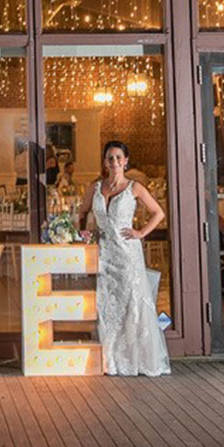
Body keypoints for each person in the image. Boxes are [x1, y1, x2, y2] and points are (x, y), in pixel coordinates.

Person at [73, 140, 170, 376]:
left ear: (126, 161)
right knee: (107, 305)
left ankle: (135, 359)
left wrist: (140, 233)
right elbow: (82, 212)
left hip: (127, 253)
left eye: (118, 157)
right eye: (110, 158)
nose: (114, 162)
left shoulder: (134, 188)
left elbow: (159, 213)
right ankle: (110, 360)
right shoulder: (95, 188)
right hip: (105, 253)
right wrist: (82, 230)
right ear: (105, 162)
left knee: (131, 305)